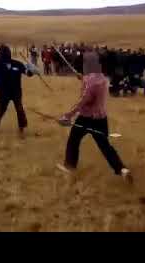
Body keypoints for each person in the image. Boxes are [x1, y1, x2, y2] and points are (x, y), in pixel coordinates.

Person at [57, 50, 133, 183]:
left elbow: (83, 101)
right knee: (105, 146)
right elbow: (91, 83)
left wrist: (67, 115)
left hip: (86, 118)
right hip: (101, 119)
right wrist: (82, 78)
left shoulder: (89, 82)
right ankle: (122, 169)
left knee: (73, 140)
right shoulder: (103, 78)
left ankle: (70, 167)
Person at [0, 44, 37, 137]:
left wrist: (32, 70)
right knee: (0, 110)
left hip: (16, 92)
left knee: (20, 109)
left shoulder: (17, 64)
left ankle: (21, 128)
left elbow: (27, 73)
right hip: (3, 93)